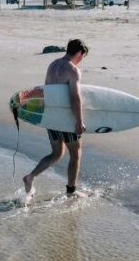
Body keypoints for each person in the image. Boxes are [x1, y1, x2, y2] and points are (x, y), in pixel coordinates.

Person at [22, 39, 89, 199]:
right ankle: (71, 191)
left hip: (51, 117)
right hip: (65, 120)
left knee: (57, 153)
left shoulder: (52, 65)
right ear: (79, 53)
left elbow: (47, 91)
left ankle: (31, 176)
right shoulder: (73, 70)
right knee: (75, 154)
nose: (81, 59)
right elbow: (75, 98)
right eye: (83, 56)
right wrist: (79, 121)